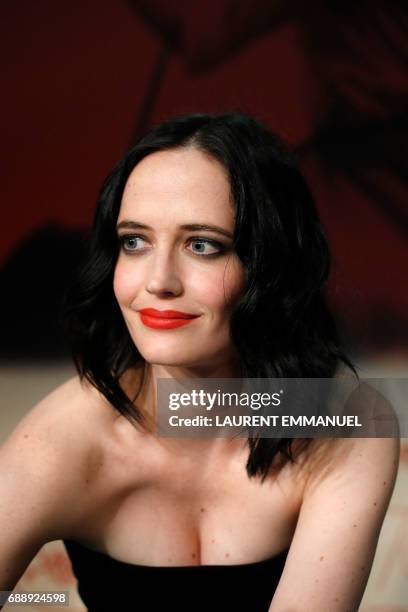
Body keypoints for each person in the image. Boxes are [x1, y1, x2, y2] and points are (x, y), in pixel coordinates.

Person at [0, 112, 399, 611]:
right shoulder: (60, 442)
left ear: (272, 265)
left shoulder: (347, 422)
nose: (159, 281)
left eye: (203, 245)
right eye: (134, 241)